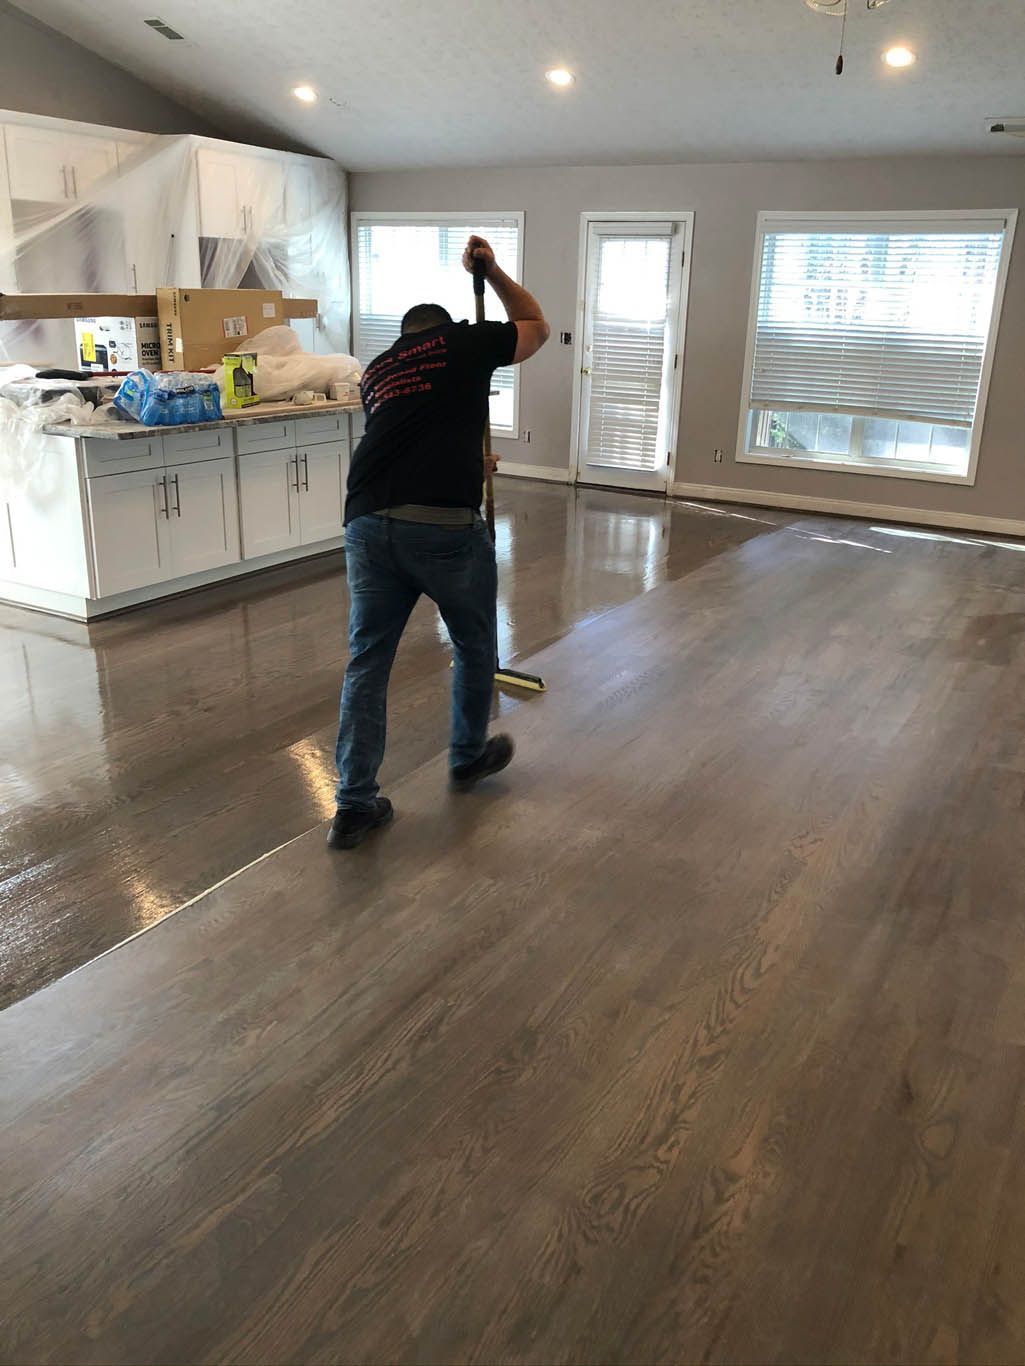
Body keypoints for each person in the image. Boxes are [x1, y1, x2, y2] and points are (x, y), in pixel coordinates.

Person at [328, 235, 550, 850]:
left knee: (367, 662)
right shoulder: (463, 342)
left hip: (366, 523)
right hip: (444, 527)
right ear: (446, 328)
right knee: (475, 642)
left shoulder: (378, 370)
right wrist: (494, 271)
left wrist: (471, 459)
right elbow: (535, 327)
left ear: (403, 337)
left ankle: (352, 805)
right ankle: (467, 756)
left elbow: (414, 434)